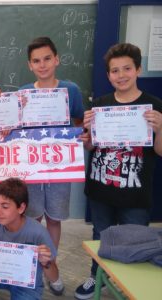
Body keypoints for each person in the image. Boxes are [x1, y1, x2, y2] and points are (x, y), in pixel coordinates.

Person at [75, 43, 162, 299]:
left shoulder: (153, 105)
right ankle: (96, 276)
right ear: (108, 75)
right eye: (115, 71)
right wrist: (87, 137)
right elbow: (92, 145)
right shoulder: (100, 105)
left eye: (127, 69)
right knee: (100, 235)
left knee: (135, 239)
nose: (121, 75)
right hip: (101, 186)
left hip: (135, 191)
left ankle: (129, 284)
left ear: (138, 69)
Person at [19, 36, 85, 295]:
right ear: (29, 65)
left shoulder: (71, 90)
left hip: (59, 166)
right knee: (33, 217)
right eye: (37, 61)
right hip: (32, 166)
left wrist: (74, 135)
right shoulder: (24, 93)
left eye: (47, 58)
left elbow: (79, 121)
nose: (43, 64)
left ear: (56, 59)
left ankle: (51, 262)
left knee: (54, 218)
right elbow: (18, 129)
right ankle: (33, 265)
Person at [0, 178, 59, 300]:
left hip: (25, 284)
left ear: (21, 208)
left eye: (5, 206)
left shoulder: (38, 232)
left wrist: (46, 263)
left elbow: (54, 278)